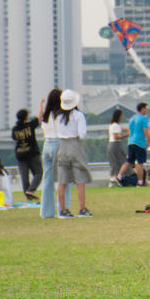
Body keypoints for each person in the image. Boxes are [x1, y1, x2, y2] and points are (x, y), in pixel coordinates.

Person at [54, 89, 93, 217]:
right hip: (74, 145)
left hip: (62, 146)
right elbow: (82, 134)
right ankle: (82, 209)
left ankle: (63, 210)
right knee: (80, 179)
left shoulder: (57, 116)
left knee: (62, 181)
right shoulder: (78, 115)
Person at [38, 88, 67, 218]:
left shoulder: (46, 115)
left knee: (47, 180)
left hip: (46, 145)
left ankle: (46, 212)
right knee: (63, 179)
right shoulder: (60, 115)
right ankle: (63, 209)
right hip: (58, 144)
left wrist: (41, 105)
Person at [116, 103, 150, 186]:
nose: (146, 110)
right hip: (139, 143)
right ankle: (140, 182)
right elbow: (146, 132)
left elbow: (130, 130)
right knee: (140, 163)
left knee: (129, 161)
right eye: (145, 108)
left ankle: (119, 176)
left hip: (131, 142)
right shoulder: (144, 118)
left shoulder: (132, 118)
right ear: (142, 109)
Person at [11, 108, 42, 202]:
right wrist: (41, 104)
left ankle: (28, 195)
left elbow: (14, 138)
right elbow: (40, 116)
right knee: (38, 173)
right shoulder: (30, 125)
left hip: (20, 154)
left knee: (24, 175)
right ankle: (31, 190)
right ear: (26, 117)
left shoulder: (15, 129)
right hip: (32, 153)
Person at [106, 109, 128, 186]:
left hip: (110, 144)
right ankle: (117, 177)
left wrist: (127, 129)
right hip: (116, 144)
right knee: (123, 160)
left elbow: (121, 128)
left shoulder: (112, 125)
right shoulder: (115, 125)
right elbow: (116, 136)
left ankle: (112, 179)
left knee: (113, 162)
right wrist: (126, 135)